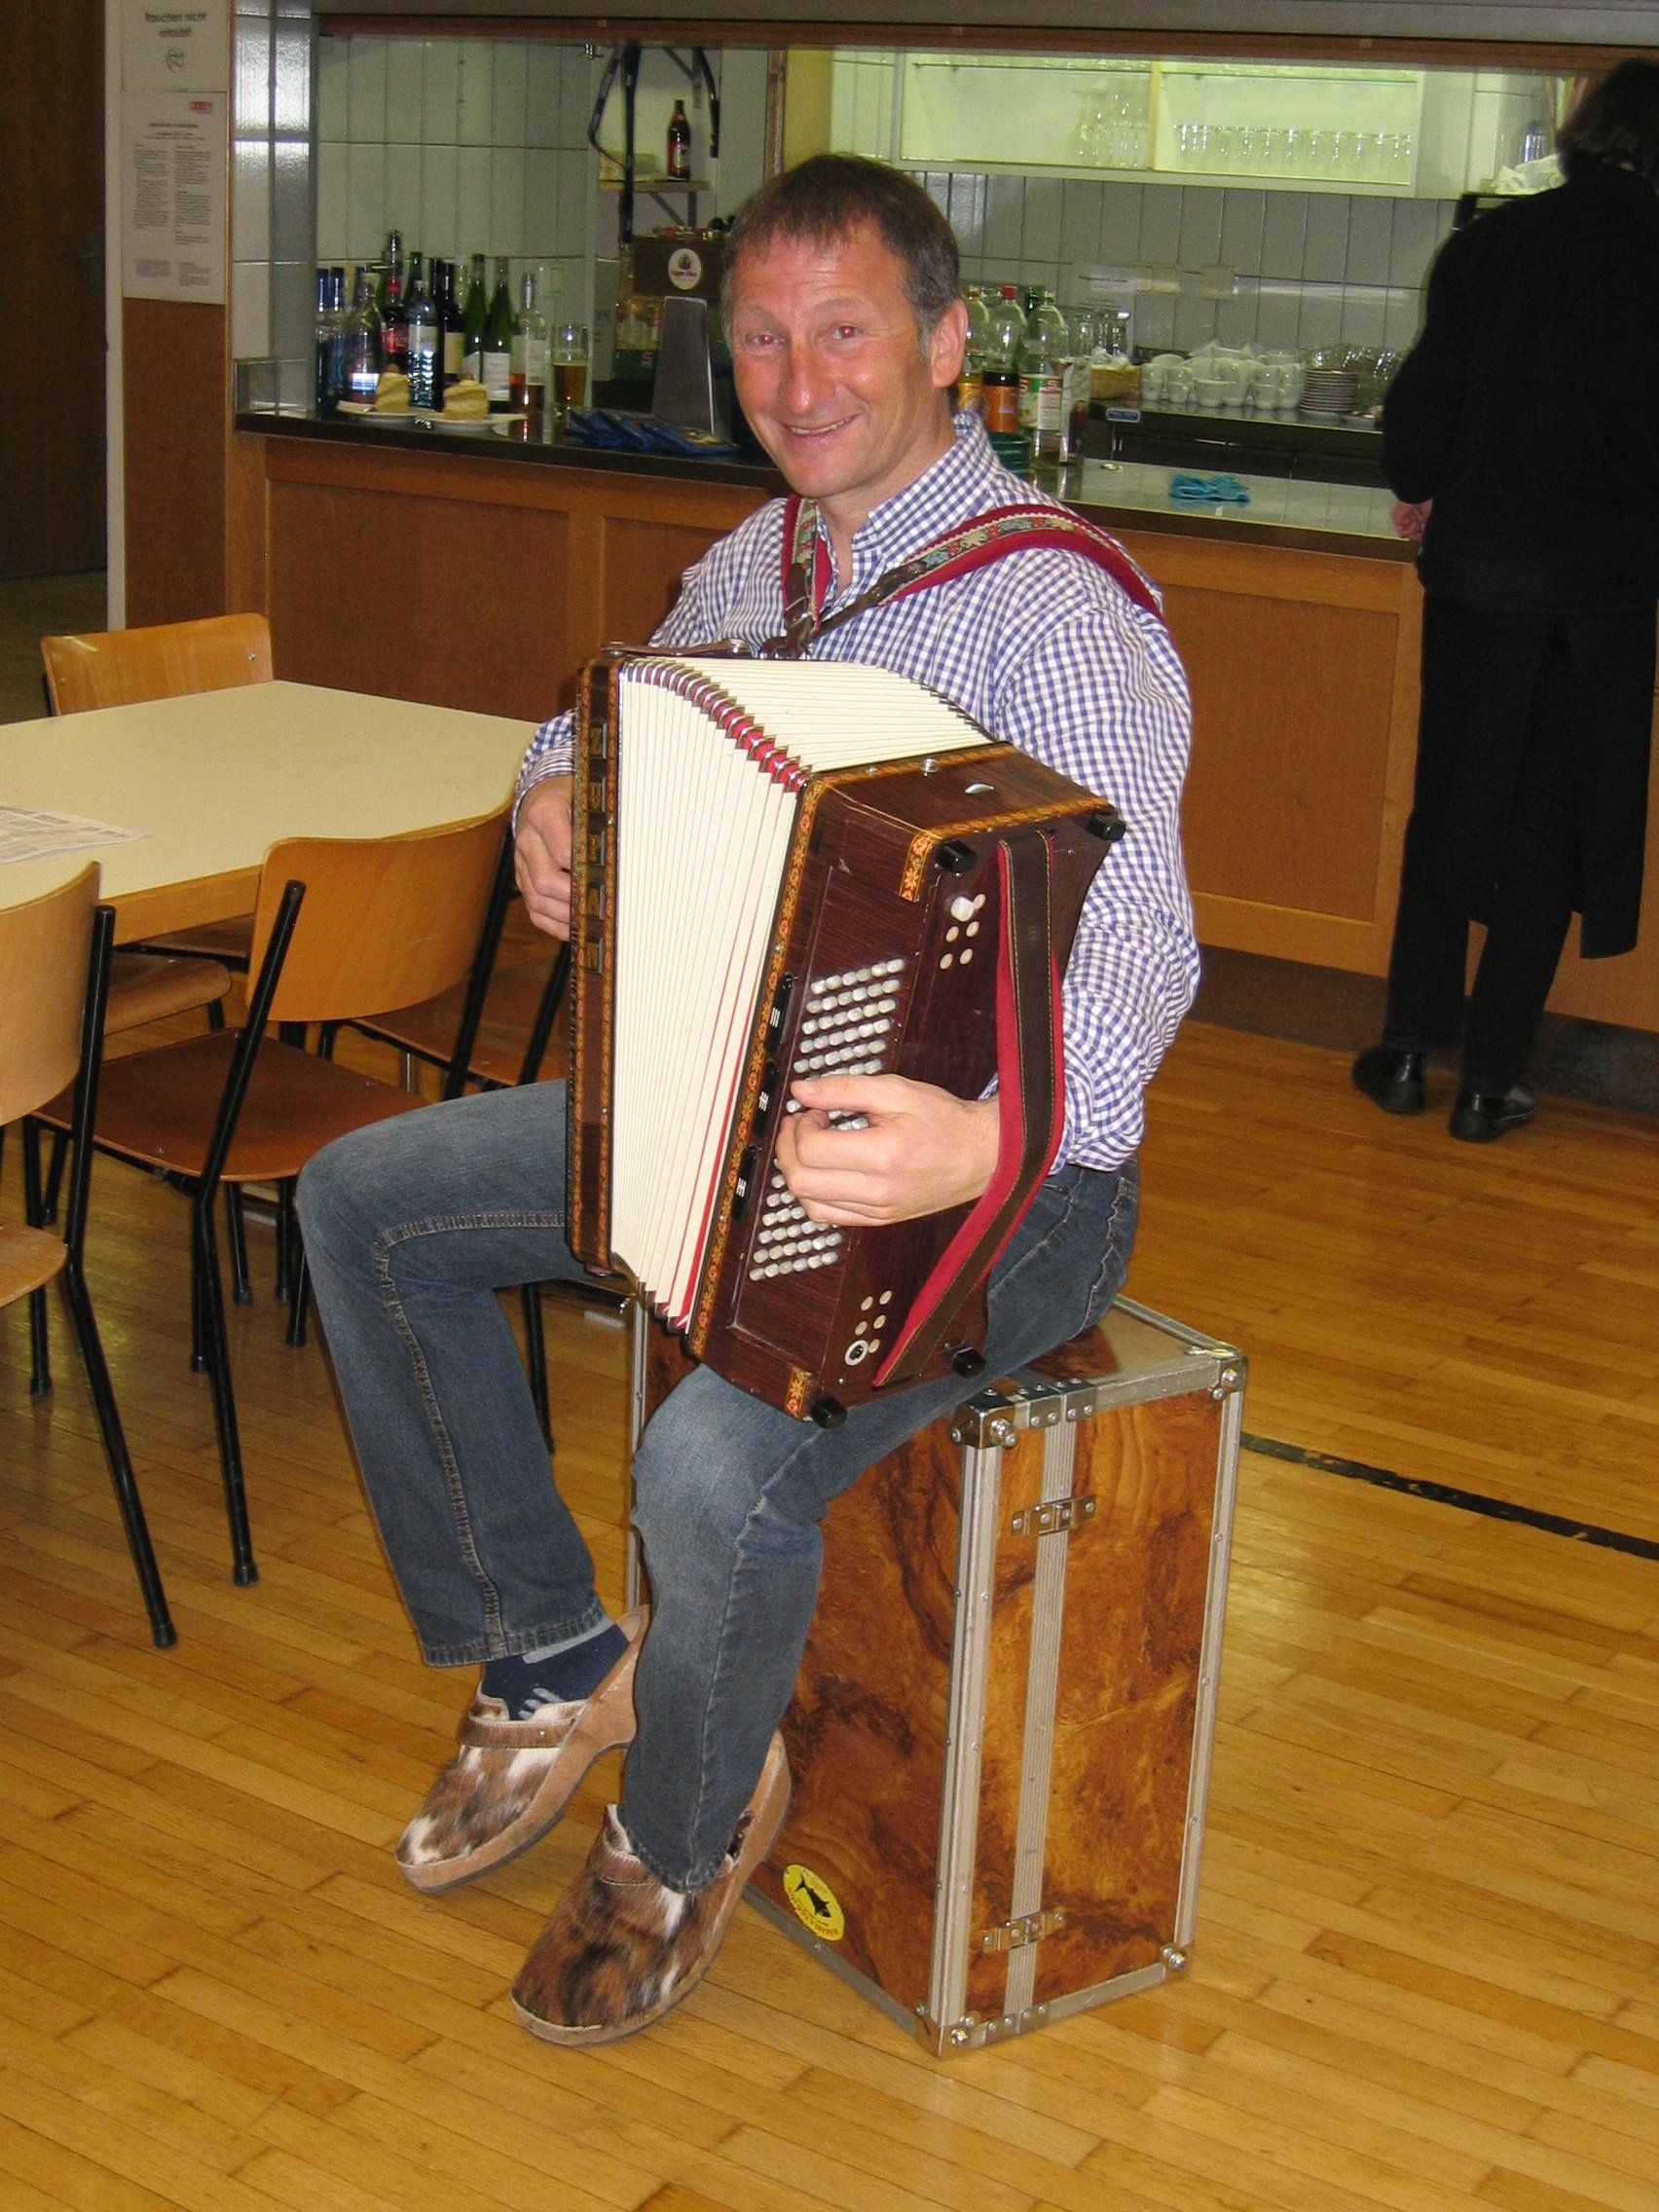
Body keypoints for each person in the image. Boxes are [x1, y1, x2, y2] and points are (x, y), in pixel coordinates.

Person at [298, 155, 1197, 2046]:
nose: (797, 383)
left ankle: (679, 1830)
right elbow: (608, 708)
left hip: (1010, 1178)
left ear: (946, 341)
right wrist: (554, 795)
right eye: (764, 341)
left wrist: (991, 1137)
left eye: (843, 331)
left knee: (709, 1463)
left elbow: (1137, 943)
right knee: (361, 1202)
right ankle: (552, 1656)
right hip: (741, 1115)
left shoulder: (1057, 614)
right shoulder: (765, 560)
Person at [1352, 59, 1659, 1142]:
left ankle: (1405, 1050)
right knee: (1548, 829)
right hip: (1605, 594)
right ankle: (1491, 1082)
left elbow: (1426, 404)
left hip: (1483, 580)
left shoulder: (1496, 243)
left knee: (1451, 804)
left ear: (1586, 132)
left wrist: (1424, 485)